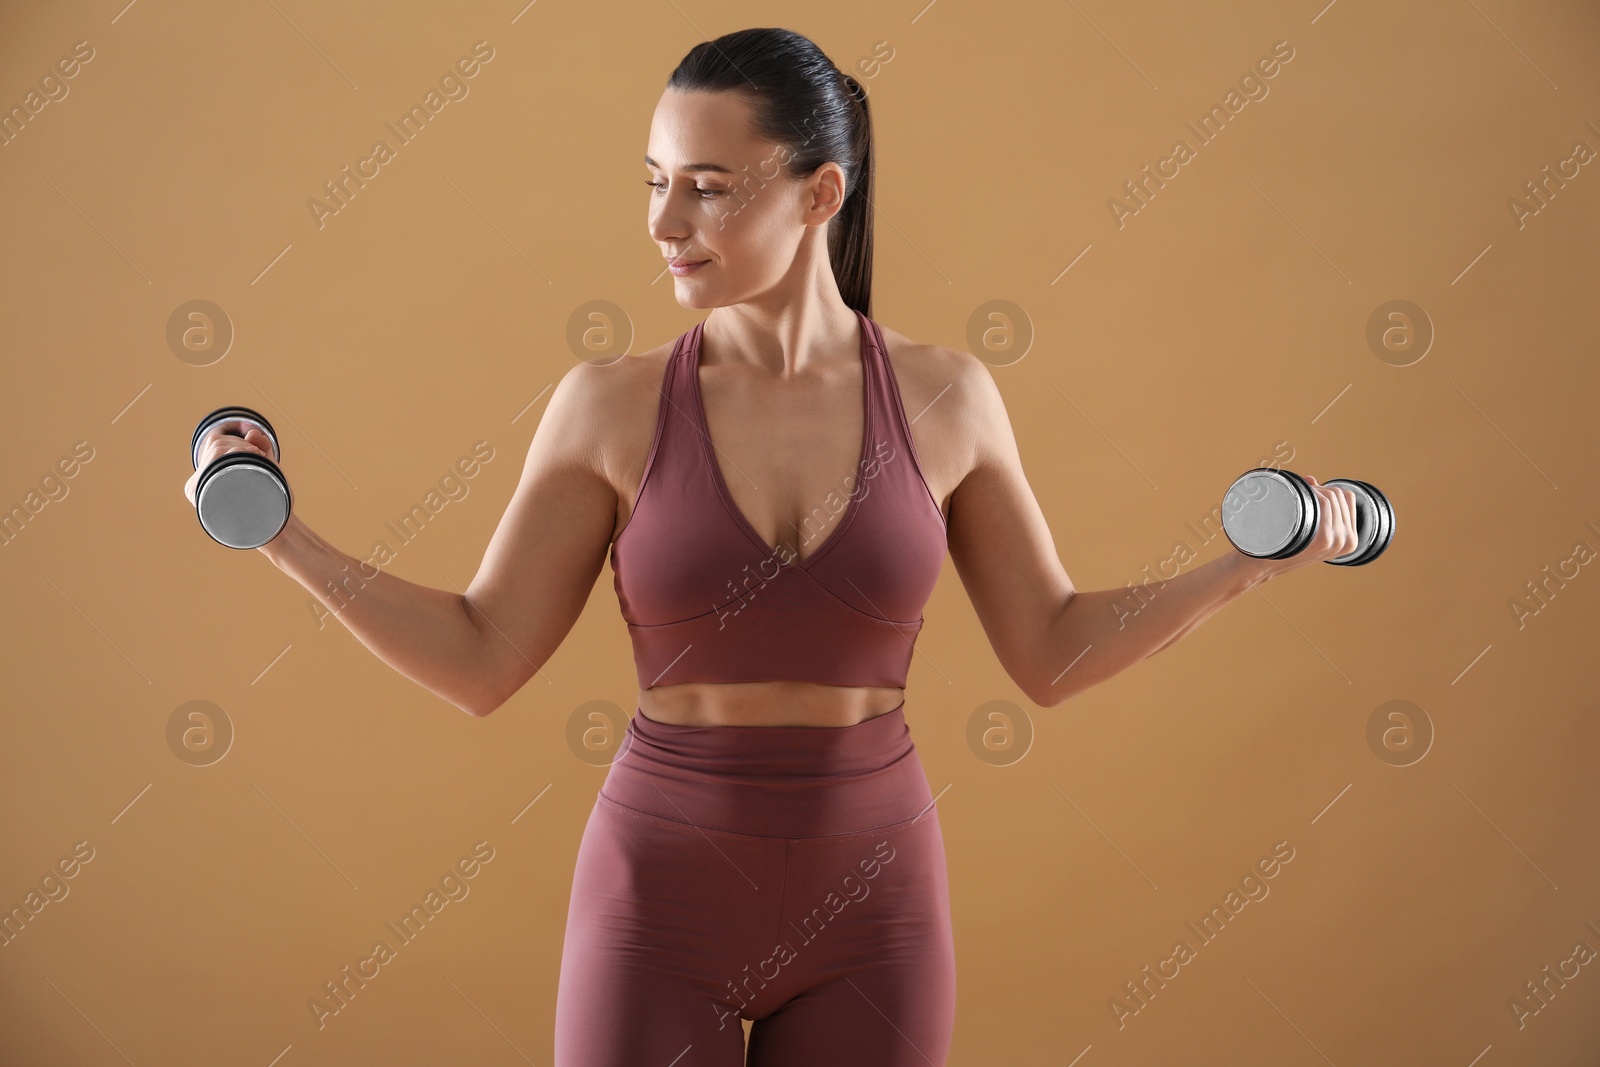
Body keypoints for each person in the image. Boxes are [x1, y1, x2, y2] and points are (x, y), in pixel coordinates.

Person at [184, 26, 1360, 1067]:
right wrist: (280, 530)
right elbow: (481, 658)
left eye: (705, 185)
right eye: (653, 181)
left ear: (817, 193)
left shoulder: (949, 397)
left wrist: (1249, 562)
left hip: (875, 909)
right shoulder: (609, 403)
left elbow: (1050, 650)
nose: (662, 220)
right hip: (656, 904)